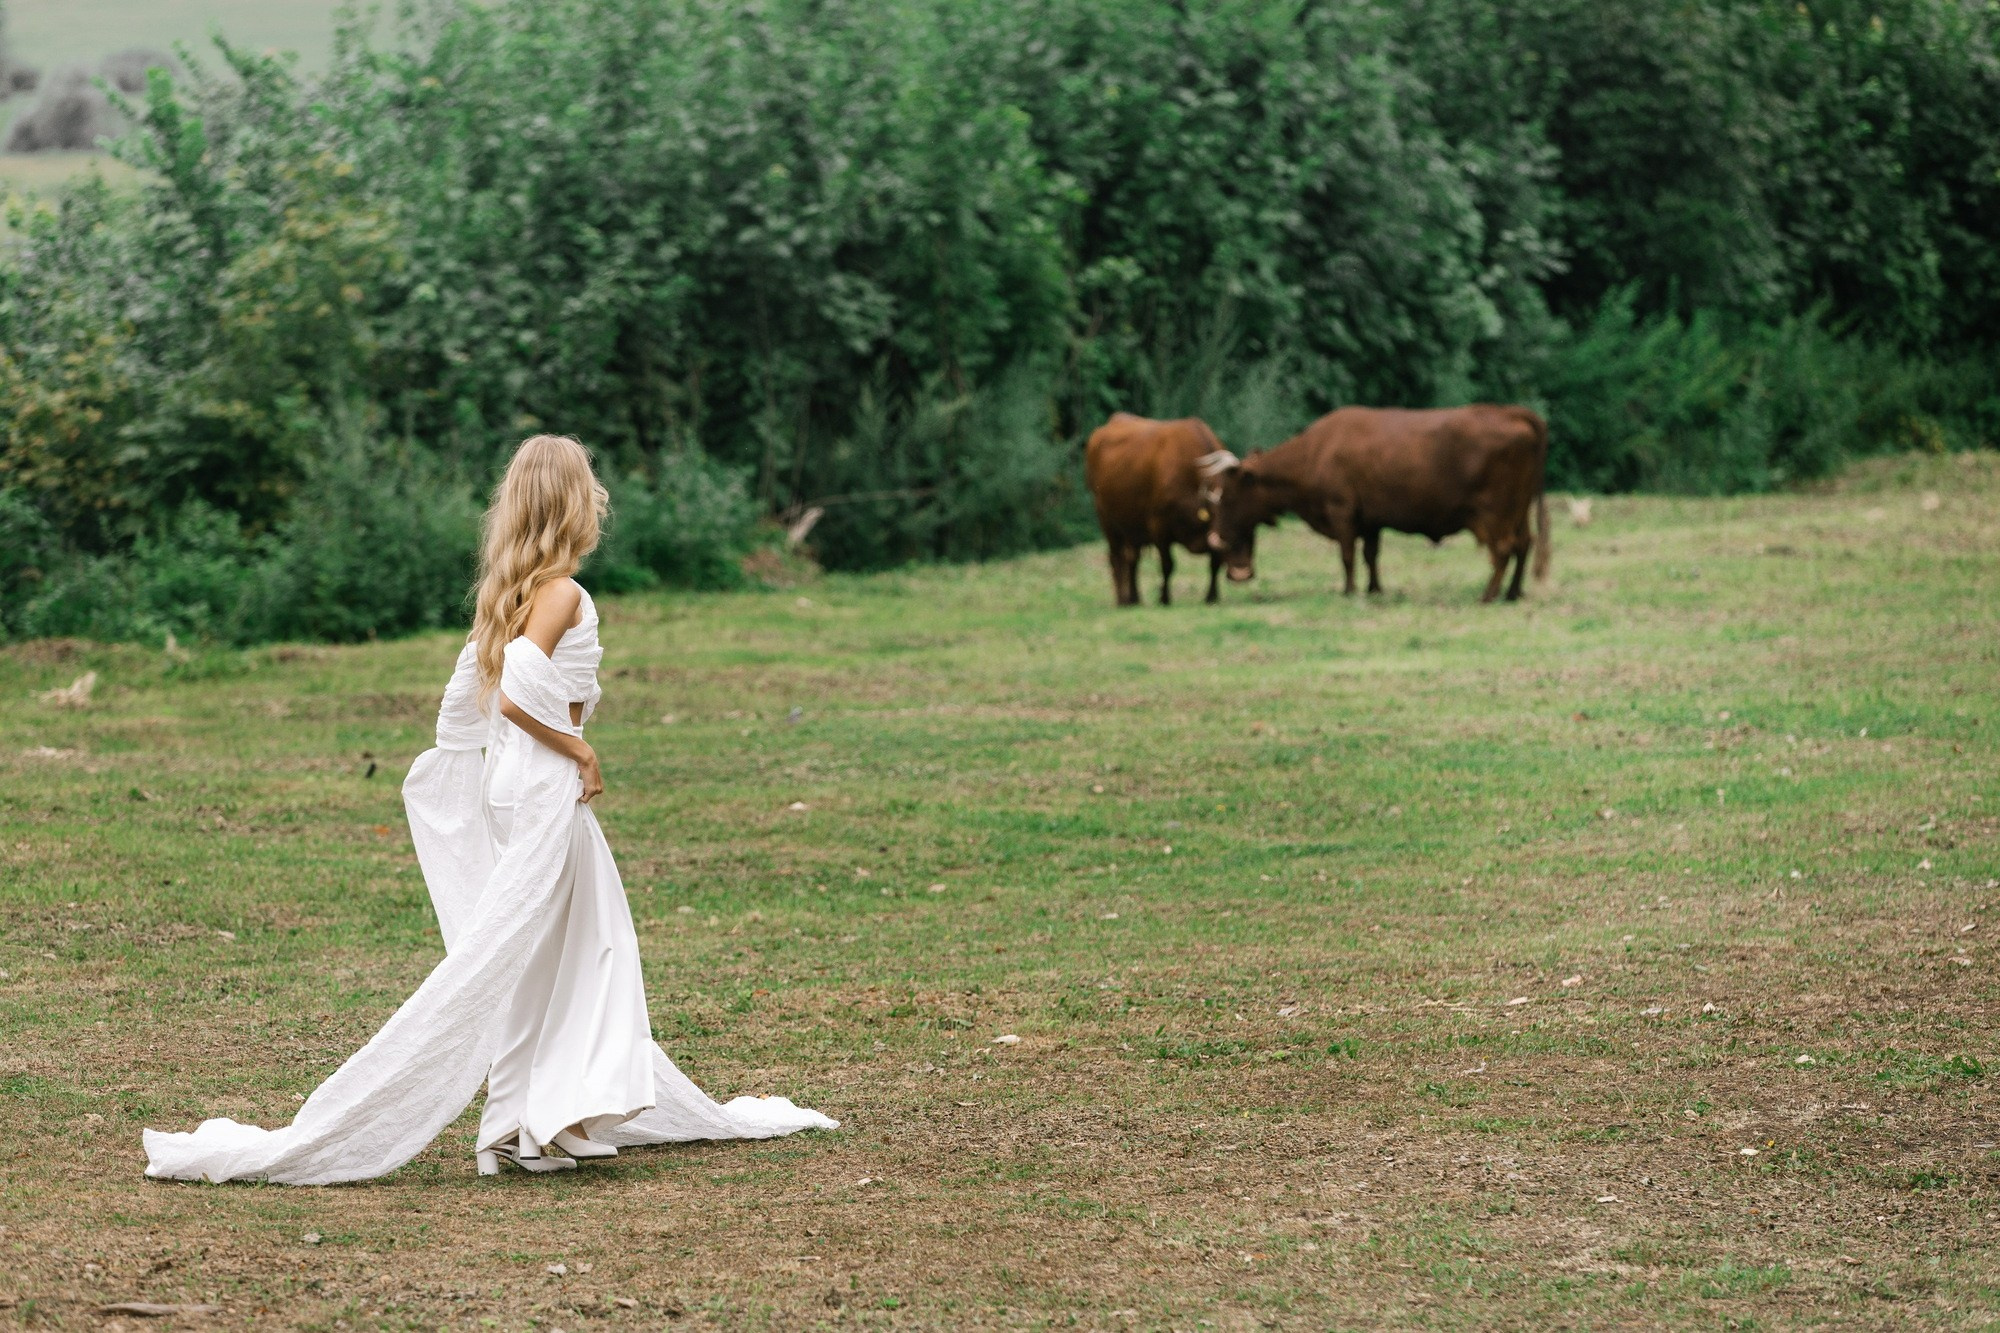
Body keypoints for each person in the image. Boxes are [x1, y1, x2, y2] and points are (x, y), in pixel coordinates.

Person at [143, 435, 836, 1183]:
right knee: (590, 950)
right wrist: (578, 749)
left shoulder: (512, 591)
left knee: (548, 955)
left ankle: (528, 1121)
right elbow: (515, 688)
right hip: (540, 783)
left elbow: (477, 695)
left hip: (513, 780)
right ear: (575, 500)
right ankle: (536, 1125)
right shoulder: (562, 590)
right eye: (590, 485)